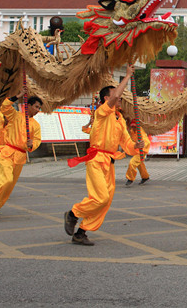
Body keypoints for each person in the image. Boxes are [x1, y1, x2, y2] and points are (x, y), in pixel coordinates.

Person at [65, 65, 142, 245]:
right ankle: (73, 213)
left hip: (110, 161)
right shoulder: (102, 112)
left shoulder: (119, 119)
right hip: (96, 159)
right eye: (116, 95)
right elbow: (116, 95)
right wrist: (128, 75)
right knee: (101, 197)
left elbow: (127, 145)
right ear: (106, 99)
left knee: (105, 202)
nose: (120, 98)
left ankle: (81, 232)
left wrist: (136, 145)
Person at [0, 94, 43, 219]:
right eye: (36, 107)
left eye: (39, 108)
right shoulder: (15, 116)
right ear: (29, 106)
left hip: (20, 156)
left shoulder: (35, 125)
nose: (38, 110)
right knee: (6, 180)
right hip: (7, 152)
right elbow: (5, 106)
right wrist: (19, 95)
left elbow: (37, 140)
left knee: (9, 186)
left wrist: (32, 145)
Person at [124, 113, 151, 186]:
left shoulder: (140, 131)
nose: (133, 128)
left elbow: (146, 142)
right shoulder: (132, 130)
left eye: (134, 127)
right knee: (140, 164)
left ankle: (130, 178)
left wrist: (142, 146)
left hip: (142, 151)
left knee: (132, 163)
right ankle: (145, 176)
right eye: (132, 126)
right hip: (137, 151)